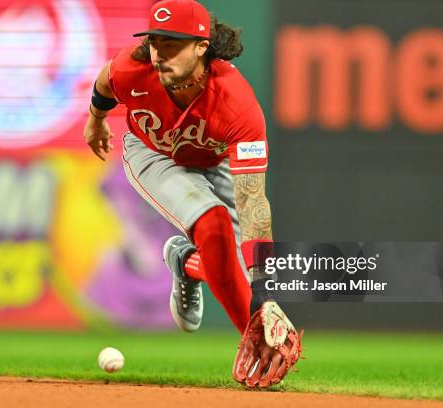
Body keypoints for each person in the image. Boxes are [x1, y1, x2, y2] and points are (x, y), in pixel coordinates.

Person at [83, 0, 302, 388]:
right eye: (155, 42)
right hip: (152, 154)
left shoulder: (236, 104)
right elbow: (104, 84)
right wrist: (96, 121)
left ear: (201, 46)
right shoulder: (132, 68)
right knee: (211, 222)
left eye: (172, 45)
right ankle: (252, 343)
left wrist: (263, 291)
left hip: (213, 163)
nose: (159, 54)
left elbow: (253, 200)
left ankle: (185, 262)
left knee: (236, 267)